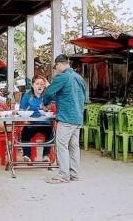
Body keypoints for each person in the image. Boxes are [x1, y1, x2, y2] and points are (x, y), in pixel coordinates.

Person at [43, 54, 86, 184]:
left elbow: (49, 92)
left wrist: (45, 103)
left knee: (61, 146)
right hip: (78, 117)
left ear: (60, 64)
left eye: (55, 67)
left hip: (67, 117)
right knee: (74, 147)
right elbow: (76, 96)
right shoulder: (79, 77)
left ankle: (63, 175)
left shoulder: (62, 77)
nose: (55, 69)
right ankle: (74, 174)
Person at [20, 75, 54, 163]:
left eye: (42, 84)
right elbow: (22, 110)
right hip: (32, 123)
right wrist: (25, 119)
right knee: (24, 133)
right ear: (32, 85)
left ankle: (46, 156)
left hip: (45, 123)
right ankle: (27, 155)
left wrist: (47, 108)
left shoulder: (48, 96)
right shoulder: (27, 96)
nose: (39, 86)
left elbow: (54, 106)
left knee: (51, 133)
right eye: (37, 84)